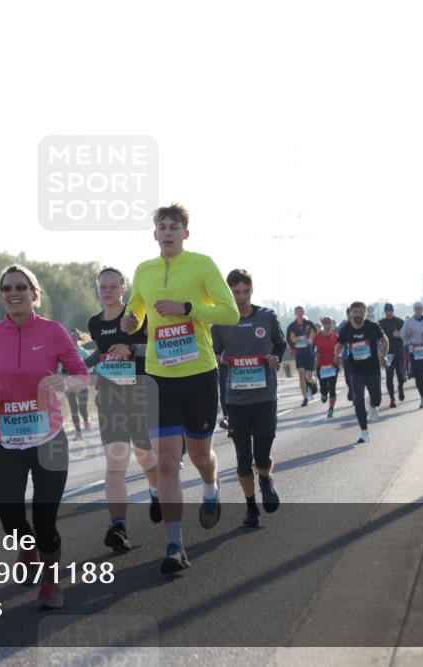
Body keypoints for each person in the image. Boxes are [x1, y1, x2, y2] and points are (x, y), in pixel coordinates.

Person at [121, 203, 239, 574]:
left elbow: (229, 313)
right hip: (160, 376)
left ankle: (211, 488)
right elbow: (137, 312)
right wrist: (130, 320)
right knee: (167, 462)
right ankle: (174, 545)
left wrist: (187, 307)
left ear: (185, 234)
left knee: (202, 457)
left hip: (199, 374)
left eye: (174, 227)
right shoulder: (143, 270)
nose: (168, 232)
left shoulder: (202, 265)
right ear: (154, 234)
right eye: (162, 227)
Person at [0, 265, 89, 609]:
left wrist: (65, 383)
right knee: (9, 514)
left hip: (48, 437)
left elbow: (82, 375)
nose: (14, 292)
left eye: (21, 287)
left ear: (34, 293)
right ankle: (27, 547)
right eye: (7, 288)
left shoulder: (54, 331)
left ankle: (51, 583)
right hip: (8, 438)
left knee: (45, 519)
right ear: (1, 295)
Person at [84, 267, 161, 551]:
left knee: (144, 456)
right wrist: (81, 365)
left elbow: (155, 347)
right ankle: (118, 526)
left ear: (123, 289)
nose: (107, 291)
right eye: (103, 286)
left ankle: (155, 491)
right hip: (109, 398)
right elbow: (101, 351)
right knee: (115, 462)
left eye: (113, 286)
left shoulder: (135, 318)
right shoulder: (94, 323)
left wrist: (131, 350)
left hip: (139, 395)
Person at [212, 269, 285, 528]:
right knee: (243, 457)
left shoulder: (267, 317)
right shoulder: (220, 323)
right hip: (236, 401)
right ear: (228, 293)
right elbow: (215, 357)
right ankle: (251, 508)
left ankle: (265, 477)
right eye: (236, 293)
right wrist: (219, 359)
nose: (241, 298)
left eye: (245, 291)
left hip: (265, 398)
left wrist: (276, 357)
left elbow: (280, 344)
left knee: (262, 454)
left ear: (252, 290)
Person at [335, 302, 388, 443]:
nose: (358, 315)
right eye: (355, 312)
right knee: (357, 399)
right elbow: (339, 346)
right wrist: (337, 356)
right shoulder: (346, 329)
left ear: (364, 312)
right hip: (355, 370)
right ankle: (364, 431)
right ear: (351, 313)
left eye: (360, 312)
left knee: (376, 399)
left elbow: (384, 340)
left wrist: (383, 356)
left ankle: (373, 404)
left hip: (372, 368)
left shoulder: (372, 326)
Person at [400, 303, 423, 408]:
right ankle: (422, 398)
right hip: (413, 351)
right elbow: (402, 335)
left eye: (420, 309)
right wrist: (408, 335)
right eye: (416, 309)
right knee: (417, 376)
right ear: (414, 310)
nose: (418, 310)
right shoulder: (408, 322)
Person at [286, 306, 318, 406]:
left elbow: (315, 337)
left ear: (304, 312)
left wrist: (311, 340)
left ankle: (312, 382)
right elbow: (289, 339)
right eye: (297, 311)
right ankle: (305, 398)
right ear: (295, 313)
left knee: (308, 376)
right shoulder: (292, 326)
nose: (299, 313)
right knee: (301, 374)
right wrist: (294, 341)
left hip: (309, 352)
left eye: (301, 311)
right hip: (299, 352)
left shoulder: (310, 324)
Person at [64, 329, 92, 440]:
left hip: (82, 383)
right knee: (73, 408)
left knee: (82, 408)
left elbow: (91, 366)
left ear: (78, 337)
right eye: (70, 336)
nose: (73, 338)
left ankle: (85, 419)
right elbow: (60, 367)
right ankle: (78, 432)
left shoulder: (83, 352)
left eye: (75, 336)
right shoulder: (64, 353)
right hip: (69, 384)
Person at [377, 303, 406, 409]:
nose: (388, 313)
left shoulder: (400, 321)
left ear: (393, 311)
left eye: (390, 311)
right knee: (389, 376)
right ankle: (392, 399)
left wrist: (400, 335)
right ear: (384, 312)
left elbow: (407, 335)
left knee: (400, 374)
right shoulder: (380, 323)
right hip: (387, 354)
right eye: (387, 311)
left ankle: (401, 388)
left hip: (399, 352)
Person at [314, 316, 340, 418]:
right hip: (321, 366)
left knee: (332, 388)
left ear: (331, 324)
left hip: (333, 365)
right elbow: (312, 349)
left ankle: (331, 409)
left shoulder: (335, 336)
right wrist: (316, 355)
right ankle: (324, 394)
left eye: (329, 323)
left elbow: (341, 348)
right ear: (323, 324)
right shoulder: (317, 336)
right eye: (325, 323)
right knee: (324, 389)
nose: (327, 326)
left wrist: (339, 356)